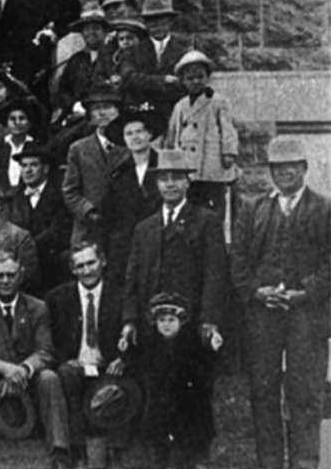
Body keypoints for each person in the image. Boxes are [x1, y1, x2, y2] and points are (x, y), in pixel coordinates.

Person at [230, 137, 329, 469]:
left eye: (291, 166)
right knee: (263, 387)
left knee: (305, 387)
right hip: (263, 314)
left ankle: (305, 464)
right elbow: (238, 260)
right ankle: (270, 464)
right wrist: (257, 292)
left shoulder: (324, 208)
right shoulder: (253, 208)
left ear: (304, 168)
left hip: (307, 315)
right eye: (277, 168)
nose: (284, 173)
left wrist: (306, 293)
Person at [0, 250, 74, 469]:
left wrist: (24, 368)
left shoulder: (37, 307)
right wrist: (3, 368)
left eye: (10, 275)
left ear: (20, 275)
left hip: (26, 379)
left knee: (50, 377)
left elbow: (45, 350)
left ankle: (60, 453)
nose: (5, 281)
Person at [122, 149, 228, 348]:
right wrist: (130, 319)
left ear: (187, 182)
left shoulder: (206, 220)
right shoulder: (144, 228)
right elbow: (132, 278)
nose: (170, 184)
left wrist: (209, 319)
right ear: (157, 184)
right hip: (151, 322)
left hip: (192, 320)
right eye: (164, 179)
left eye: (177, 178)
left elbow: (215, 274)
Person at [47, 242, 135, 469]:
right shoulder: (58, 298)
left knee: (124, 380)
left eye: (91, 263)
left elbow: (132, 334)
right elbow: (50, 341)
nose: (87, 270)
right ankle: (78, 454)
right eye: (80, 266)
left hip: (106, 364)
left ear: (103, 262)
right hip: (75, 365)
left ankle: (115, 455)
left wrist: (122, 359)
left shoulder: (120, 294)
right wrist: (65, 361)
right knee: (67, 376)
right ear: (73, 269)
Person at [131, 292, 220, 469]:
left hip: (187, 398)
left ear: (181, 322)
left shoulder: (190, 345)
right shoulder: (152, 345)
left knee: (195, 416)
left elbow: (206, 370)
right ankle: (160, 458)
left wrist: (213, 349)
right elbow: (142, 366)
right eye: (162, 320)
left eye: (171, 320)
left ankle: (194, 460)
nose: (166, 325)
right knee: (155, 414)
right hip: (161, 397)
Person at [164, 51, 239, 217]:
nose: (196, 81)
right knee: (192, 203)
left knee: (215, 204)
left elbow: (228, 128)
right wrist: (171, 153)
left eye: (200, 77)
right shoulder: (180, 106)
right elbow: (173, 133)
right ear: (183, 81)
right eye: (190, 78)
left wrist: (229, 152)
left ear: (207, 78)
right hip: (188, 164)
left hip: (211, 161)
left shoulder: (218, 101)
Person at [98, 106, 163, 282]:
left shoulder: (164, 167)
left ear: (149, 134)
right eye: (129, 134)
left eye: (140, 131)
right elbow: (108, 216)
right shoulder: (118, 174)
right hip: (126, 247)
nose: (135, 137)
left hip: (160, 242)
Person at [62, 84, 128, 244]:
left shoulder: (129, 147)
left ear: (118, 111)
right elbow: (70, 191)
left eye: (107, 107)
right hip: (88, 229)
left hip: (123, 227)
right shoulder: (79, 149)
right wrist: (88, 211)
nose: (102, 113)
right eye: (96, 108)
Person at [7, 145, 72, 293]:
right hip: (23, 261)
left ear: (46, 169)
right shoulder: (16, 197)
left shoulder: (60, 195)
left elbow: (57, 231)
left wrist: (28, 247)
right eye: (24, 166)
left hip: (51, 260)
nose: (28, 170)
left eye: (34, 165)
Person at [119, 0, 190, 123]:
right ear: (145, 23)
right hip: (140, 114)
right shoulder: (132, 52)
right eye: (151, 21)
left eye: (162, 20)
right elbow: (129, 79)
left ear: (170, 21)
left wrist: (146, 82)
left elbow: (185, 85)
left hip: (173, 114)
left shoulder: (183, 52)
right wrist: (164, 80)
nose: (157, 26)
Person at [51, 8, 113, 128]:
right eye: (87, 29)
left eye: (96, 28)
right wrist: (73, 105)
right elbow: (64, 89)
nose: (91, 33)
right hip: (76, 114)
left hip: (104, 113)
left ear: (105, 32)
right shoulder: (76, 60)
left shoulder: (113, 57)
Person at [0, 96, 43, 188]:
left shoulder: (37, 147)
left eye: (22, 118)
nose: (17, 123)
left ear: (29, 123)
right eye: (12, 119)